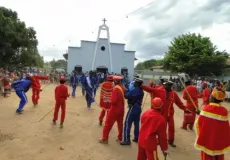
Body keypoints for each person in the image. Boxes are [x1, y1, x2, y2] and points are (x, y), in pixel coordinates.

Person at [194, 87, 230, 160]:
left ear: (213, 99)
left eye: (211, 96)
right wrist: (201, 113)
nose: (209, 97)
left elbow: (199, 123)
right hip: (219, 141)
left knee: (207, 156)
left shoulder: (206, 109)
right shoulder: (224, 111)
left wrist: (200, 114)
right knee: (219, 156)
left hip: (208, 140)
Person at [99, 76, 126, 144]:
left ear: (115, 81)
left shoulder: (115, 89)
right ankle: (120, 137)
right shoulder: (122, 87)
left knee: (108, 124)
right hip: (121, 109)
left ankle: (105, 139)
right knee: (120, 124)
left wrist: (108, 100)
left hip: (114, 109)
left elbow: (113, 101)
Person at [162, 81, 187, 147]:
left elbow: (179, 103)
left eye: (166, 85)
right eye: (165, 85)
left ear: (169, 86)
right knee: (162, 128)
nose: (165, 86)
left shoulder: (174, 94)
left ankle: (170, 141)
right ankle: (161, 140)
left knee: (171, 128)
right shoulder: (161, 91)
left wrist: (185, 109)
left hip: (170, 114)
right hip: (162, 113)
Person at [120, 78, 144, 145]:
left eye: (135, 82)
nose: (134, 83)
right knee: (136, 123)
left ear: (137, 84)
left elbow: (126, 96)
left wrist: (126, 89)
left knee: (127, 123)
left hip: (133, 107)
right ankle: (136, 138)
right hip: (138, 108)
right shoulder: (141, 90)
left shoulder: (135, 90)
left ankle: (127, 140)